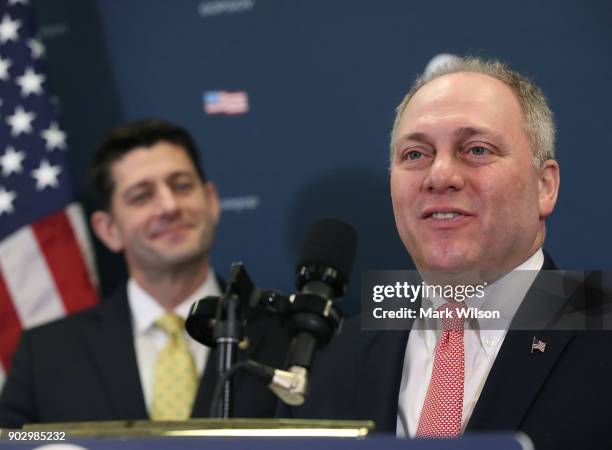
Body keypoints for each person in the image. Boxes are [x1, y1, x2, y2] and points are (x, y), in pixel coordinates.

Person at [280, 57, 612, 450]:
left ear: (544, 186)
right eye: (415, 155)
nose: (439, 176)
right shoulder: (337, 354)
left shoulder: (599, 319)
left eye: (476, 149)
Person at [0, 119, 287, 427]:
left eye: (181, 185)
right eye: (141, 196)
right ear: (109, 230)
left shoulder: (288, 336)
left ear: (212, 201)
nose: (168, 206)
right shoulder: (47, 353)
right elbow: (15, 441)